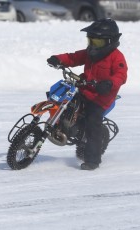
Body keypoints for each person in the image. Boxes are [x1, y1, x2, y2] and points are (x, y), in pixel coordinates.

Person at [47, 18, 128, 170]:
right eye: (90, 40)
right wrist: (58, 59)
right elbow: (73, 57)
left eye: (97, 42)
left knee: (92, 123)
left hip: (101, 97)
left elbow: (121, 75)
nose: (92, 45)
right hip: (84, 89)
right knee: (63, 99)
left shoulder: (117, 57)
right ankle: (62, 125)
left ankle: (93, 160)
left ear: (109, 41)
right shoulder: (90, 53)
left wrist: (109, 83)